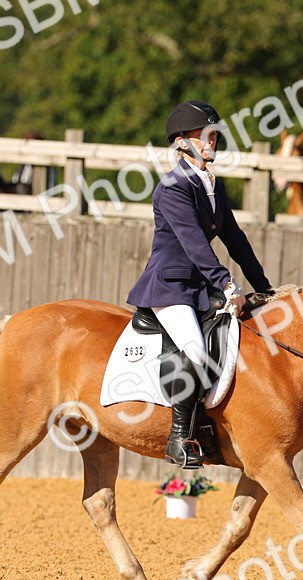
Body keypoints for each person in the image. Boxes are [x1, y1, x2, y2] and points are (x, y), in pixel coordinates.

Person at [126, 100, 274, 468]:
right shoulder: (173, 187)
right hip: (170, 287)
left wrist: (265, 286)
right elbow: (193, 243)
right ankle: (179, 438)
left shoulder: (211, 184)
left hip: (198, 287)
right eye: (203, 135)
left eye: (214, 135)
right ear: (181, 142)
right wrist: (227, 285)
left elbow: (235, 239)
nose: (212, 141)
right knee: (195, 350)